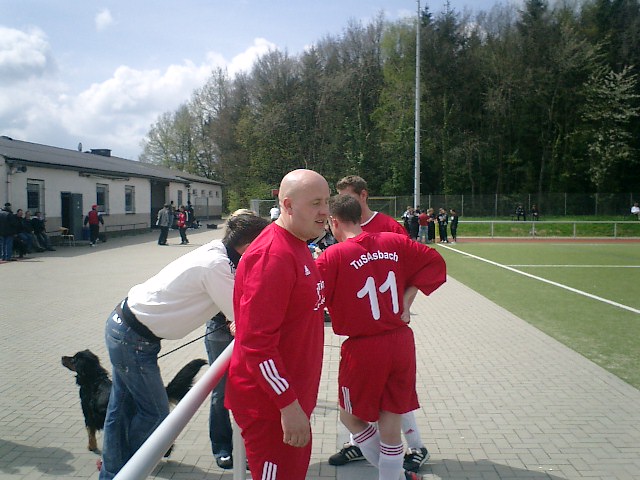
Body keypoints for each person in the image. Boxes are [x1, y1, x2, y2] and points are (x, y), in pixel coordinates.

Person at [98, 212, 270, 480]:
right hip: (133, 338)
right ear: (248, 246)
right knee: (155, 414)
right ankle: (127, 469)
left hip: (127, 330)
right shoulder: (216, 265)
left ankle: (113, 471)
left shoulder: (218, 252)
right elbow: (243, 316)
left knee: (119, 409)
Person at [316, 194, 446, 480]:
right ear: (359, 216)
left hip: (364, 346)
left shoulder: (332, 256)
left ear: (333, 222)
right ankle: (395, 474)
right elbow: (434, 262)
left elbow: (307, 296)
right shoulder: (393, 241)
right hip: (400, 341)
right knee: (391, 415)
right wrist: (406, 301)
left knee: (350, 416)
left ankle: (395, 475)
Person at [225, 169, 330, 480]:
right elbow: (256, 343)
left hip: (291, 399)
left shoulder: (298, 242)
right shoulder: (273, 255)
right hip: (271, 407)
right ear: (288, 205)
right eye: (315, 203)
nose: (325, 211)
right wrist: (288, 405)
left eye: (326, 201)